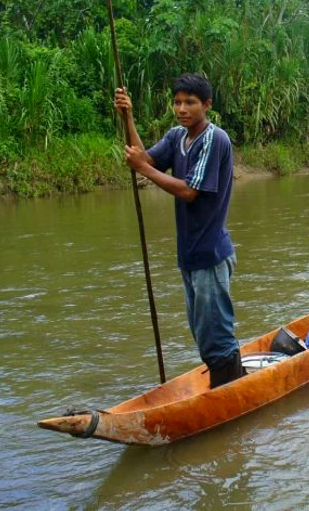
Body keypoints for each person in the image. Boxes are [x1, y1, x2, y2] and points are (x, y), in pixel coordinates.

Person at [114, 74, 243, 389]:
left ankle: (231, 392)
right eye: (177, 102)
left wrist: (144, 169)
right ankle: (225, 386)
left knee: (217, 335)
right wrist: (128, 117)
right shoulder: (176, 137)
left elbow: (189, 191)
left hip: (210, 254)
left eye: (190, 102)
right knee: (201, 332)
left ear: (207, 105)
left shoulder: (215, 139)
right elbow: (145, 159)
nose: (182, 109)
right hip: (189, 255)